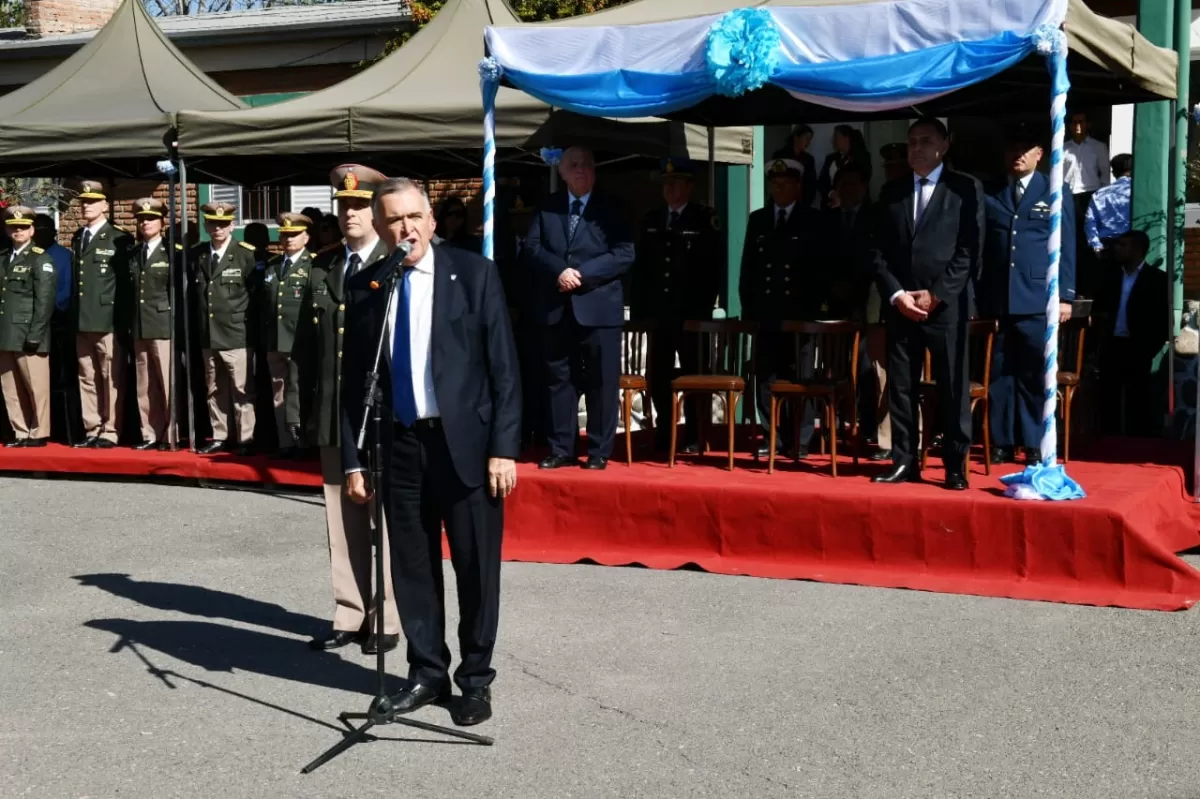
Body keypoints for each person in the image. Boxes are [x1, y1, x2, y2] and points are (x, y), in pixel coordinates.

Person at [340, 177, 521, 726]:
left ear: (432, 220)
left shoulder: (473, 273)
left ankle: (475, 680)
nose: (406, 228)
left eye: (414, 216)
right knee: (412, 567)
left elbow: (504, 369)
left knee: (474, 567)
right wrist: (353, 458)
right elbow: (356, 380)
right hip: (400, 443)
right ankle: (425, 673)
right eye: (394, 220)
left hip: (465, 443)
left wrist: (503, 448)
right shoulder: (372, 286)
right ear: (381, 226)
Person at [291, 165, 400, 655]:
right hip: (335, 411)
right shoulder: (325, 266)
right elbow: (306, 350)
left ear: (377, 210)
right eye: (343, 205)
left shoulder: (395, 264)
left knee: (388, 518)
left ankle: (388, 615)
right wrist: (301, 406)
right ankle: (350, 610)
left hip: (382, 412)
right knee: (341, 515)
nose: (349, 213)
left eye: (359, 205)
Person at [868, 118, 983, 491]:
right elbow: (878, 251)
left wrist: (937, 294)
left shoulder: (964, 188)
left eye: (925, 141)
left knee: (951, 385)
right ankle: (904, 459)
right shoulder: (892, 192)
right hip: (902, 305)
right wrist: (897, 294)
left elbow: (969, 250)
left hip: (945, 306)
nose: (916, 148)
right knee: (901, 385)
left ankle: (954, 464)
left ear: (944, 145)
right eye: (912, 141)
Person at [523, 145, 635, 471]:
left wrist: (583, 275)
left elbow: (625, 253)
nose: (580, 169)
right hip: (557, 307)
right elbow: (530, 248)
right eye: (573, 165)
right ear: (562, 172)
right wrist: (558, 270)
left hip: (599, 307)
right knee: (559, 379)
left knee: (601, 379)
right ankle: (562, 448)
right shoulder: (548, 208)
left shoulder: (611, 207)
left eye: (586, 164)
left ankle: (599, 450)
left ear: (595, 170)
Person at [979, 125, 1076, 466]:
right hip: (1000, 296)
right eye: (1012, 149)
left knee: (1035, 372)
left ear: (1039, 153)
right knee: (1001, 374)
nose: (1017, 155)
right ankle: (1003, 441)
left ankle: (1035, 441)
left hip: (1038, 297)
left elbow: (1066, 246)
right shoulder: (990, 192)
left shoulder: (1053, 190)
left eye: (1025, 149)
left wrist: (1065, 295)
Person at [629, 157, 723, 453]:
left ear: (689, 186)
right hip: (660, 316)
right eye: (666, 184)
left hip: (691, 315)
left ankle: (695, 434)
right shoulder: (652, 219)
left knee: (694, 375)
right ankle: (664, 432)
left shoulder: (703, 219)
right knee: (658, 376)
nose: (669, 189)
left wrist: (701, 311)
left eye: (675, 183)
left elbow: (713, 270)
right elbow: (642, 269)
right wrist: (641, 312)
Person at [740, 157, 823, 458]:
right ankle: (770, 434)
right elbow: (748, 268)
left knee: (801, 378)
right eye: (774, 184)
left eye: (785, 183)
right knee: (766, 378)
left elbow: (820, 271)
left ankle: (800, 438)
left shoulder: (813, 220)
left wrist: (816, 312)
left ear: (797, 186)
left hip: (799, 315)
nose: (779, 189)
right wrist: (749, 309)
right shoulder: (759, 219)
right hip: (766, 313)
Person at [191, 202, 259, 456]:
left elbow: (254, 295)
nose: (218, 228)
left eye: (223, 223)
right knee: (214, 388)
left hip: (236, 333)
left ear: (232, 225)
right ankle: (220, 435)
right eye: (213, 223)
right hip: (209, 333)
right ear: (207, 225)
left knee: (242, 389)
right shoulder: (198, 254)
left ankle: (245, 438)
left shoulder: (245, 254)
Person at [71, 180, 131, 449]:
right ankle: (92, 427)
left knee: (110, 376)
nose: (86, 205)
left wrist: (121, 321)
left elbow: (125, 285)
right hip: (82, 318)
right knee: (87, 376)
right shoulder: (77, 236)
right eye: (84, 201)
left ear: (105, 205)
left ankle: (111, 429)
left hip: (106, 319)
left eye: (92, 201)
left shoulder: (119, 238)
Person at [1098, 230, 1168, 436]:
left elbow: (1162, 319)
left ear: (1138, 250)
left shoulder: (1156, 279)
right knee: (1109, 394)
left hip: (1138, 345)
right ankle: (1108, 439)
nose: (1117, 249)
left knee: (1138, 396)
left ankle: (1136, 442)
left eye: (1123, 245)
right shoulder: (1110, 275)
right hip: (1112, 343)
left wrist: (1149, 349)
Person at [0, 207, 56, 447]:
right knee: (10, 387)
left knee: (36, 387)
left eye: (23, 226)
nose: (18, 231)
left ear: (32, 230)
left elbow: (44, 302)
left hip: (28, 333)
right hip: (5, 333)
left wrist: (36, 333)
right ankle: (20, 430)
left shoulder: (40, 258)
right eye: (14, 226)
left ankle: (39, 432)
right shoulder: (3, 257)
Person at [127, 198, 179, 451]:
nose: (145, 222)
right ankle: (149, 433)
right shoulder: (135, 253)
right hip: (140, 325)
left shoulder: (172, 252)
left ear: (161, 222)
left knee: (167, 383)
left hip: (163, 324)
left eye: (151, 218)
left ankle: (171, 434)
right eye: (141, 219)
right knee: (144, 384)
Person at [260, 212, 314, 457]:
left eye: (294, 235)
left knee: (299, 391)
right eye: (285, 235)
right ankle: (285, 442)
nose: (289, 239)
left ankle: (302, 441)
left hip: (299, 340)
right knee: (278, 392)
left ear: (306, 237)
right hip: (275, 340)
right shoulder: (272, 266)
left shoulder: (312, 265)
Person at [1085, 153, 1132, 259]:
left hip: (1107, 246)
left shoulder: (1099, 194)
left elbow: (1090, 222)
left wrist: (1096, 245)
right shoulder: (1138, 191)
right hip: (1132, 244)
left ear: (1114, 173)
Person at [817, 125, 872, 209]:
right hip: (830, 209)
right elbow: (822, 182)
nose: (833, 140)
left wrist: (841, 196)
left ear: (846, 138)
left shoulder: (861, 158)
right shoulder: (830, 158)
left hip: (855, 209)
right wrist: (831, 193)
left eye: (836, 137)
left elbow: (862, 181)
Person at [772, 124, 818, 208]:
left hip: (803, 204)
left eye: (810, 139)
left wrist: (806, 204)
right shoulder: (780, 156)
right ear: (796, 137)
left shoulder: (809, 159)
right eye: (806, 138)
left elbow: (812, 184)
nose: (808, 142)